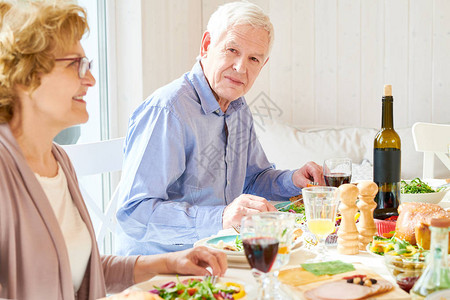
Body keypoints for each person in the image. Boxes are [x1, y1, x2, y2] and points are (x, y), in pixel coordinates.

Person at [0, 1, 226, 299]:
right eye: (74, 64)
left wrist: (168, 263)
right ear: (25, 74)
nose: (91, 79)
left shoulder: (57, 160)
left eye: (88, 65)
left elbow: (79, 272)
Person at [116, 1, 324, 256]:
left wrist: (293, 180)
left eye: (253, 58)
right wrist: (222, 217)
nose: (240, 67)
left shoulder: (237, 107)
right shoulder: (168, 110)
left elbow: (253, 180)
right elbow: (134, 214)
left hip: (218, 255)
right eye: (232, 50)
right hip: (161, 267)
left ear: (263, 65)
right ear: (206, 46)